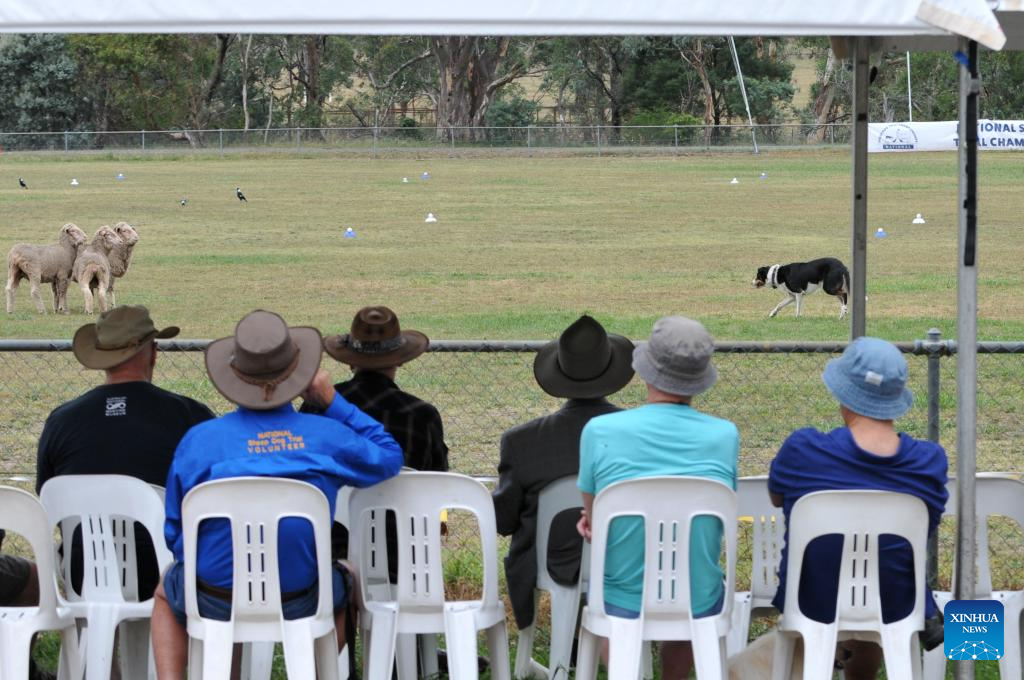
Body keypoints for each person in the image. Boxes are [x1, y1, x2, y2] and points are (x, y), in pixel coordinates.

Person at [151, 310, 403, 679]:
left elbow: (176, 530)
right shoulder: (324, 436)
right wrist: (333, 402)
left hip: (214, 595)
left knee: (165, 590)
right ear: (298, 373)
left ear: (236, 375)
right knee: (348, 577)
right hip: (302, 595)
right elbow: (389, 455)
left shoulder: (199, 441)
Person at [768, 336, 948, 679]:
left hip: (810, 599)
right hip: (896, 604)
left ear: (844, 395)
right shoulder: (928, 463)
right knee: (877, 572)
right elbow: (927, 523)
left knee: (841, 569)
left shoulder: (803, 450)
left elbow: (778, 497)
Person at [577, 316, 739, 679]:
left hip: (621, 596)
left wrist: (591, 520)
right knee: (692, 581)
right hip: (698, 596)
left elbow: (593, 514)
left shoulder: (599, 431)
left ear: (646, 372)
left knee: (609, 594)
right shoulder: (724, 436)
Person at [36, 305, 214, 599]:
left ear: (102, 356)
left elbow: (48, 495)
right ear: (153, 351)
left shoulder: (61, 420)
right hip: (169, 572)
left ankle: (94, 644)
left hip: (86, 573)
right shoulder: (190, 416)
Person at [493, 314, 634, 632]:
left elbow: (502, 520)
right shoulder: (641, 437)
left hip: (548, 563)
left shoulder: (521, 441)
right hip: (629, 559)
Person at [302, 305, 448, 566]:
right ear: (401, 359)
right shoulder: (423, 416)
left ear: (348, 360)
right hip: (403, 559)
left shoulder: (316, 407)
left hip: (328, 557)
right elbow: (437, 492)